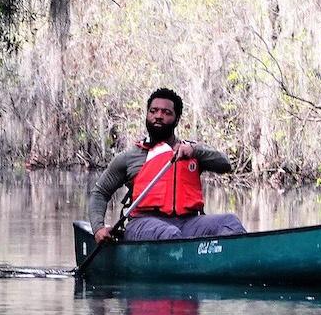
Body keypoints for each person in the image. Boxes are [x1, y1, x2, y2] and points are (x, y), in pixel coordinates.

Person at [86, 88, 246, 242]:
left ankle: (232, 265)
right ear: (147, 114)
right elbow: (100, 193)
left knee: (229, 222)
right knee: (169, 233)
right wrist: (98, 228)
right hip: (143, 224)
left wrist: (195, 151)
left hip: (188, 223)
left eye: (166, 112)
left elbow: (225, 164)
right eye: (153, 111)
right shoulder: (130, 157)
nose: (158, 116)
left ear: (177, 119)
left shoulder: (190, 151)